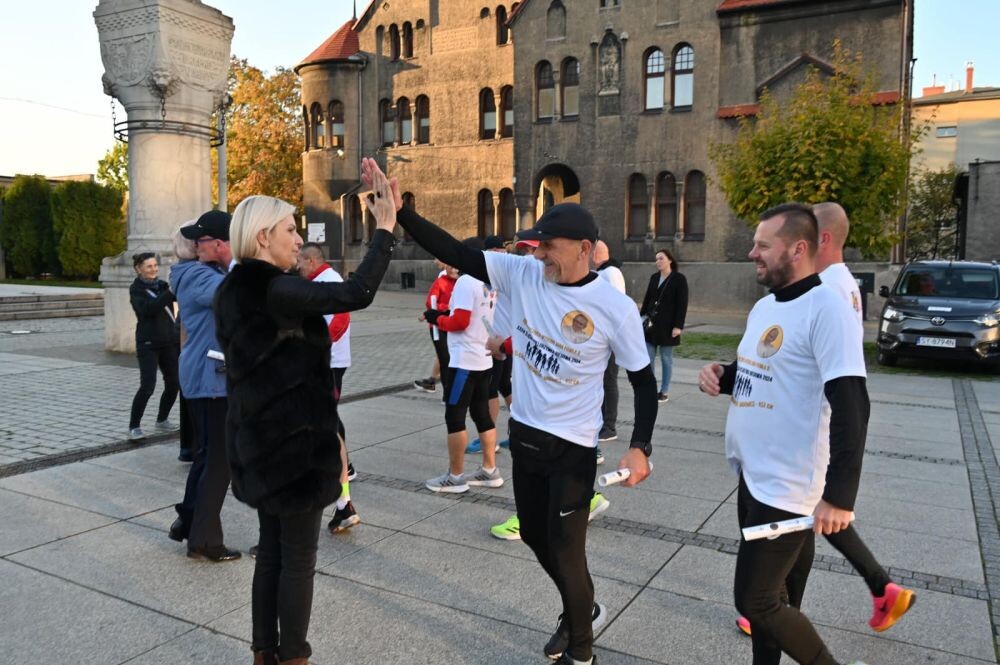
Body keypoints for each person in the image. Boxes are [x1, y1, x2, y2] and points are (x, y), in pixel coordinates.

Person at [364, 157, 656, 665]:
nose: (539, 252)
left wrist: (640, 445)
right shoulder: (526, 274)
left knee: (567, 551)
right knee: (538, 540)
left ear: (584, 250)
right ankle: (581, 607)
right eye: (537, 244)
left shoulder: (615, 307)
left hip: (573, 448)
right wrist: (400, 215)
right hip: (526, 436)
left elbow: (643, 382)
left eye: (550, 246)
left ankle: (582, 649)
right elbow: (456, 251)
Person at [214, 191, 396, 665]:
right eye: (290, 229)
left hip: (260, 444)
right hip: (292, 451)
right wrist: (384, 229)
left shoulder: (235, 289)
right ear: (263, 237)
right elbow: (357, 292)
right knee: (297, 559)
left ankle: (264, 652)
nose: (299, 239)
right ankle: (294, 656)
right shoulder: (278, 289)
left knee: (272, 553)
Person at [698, 203, 871, 665]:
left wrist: (840, 496)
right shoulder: (765, 307)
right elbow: (765, 371)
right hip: (753, 475)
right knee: (775, 599)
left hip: (789, 484)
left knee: (755, 602)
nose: (751, 252)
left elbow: (853, 406)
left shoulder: (826, 310)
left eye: (762, 245)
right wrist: (723, 375)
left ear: (797, 249)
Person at [169, 210, 239, 562]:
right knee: (219, 461)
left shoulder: (197, 272)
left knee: (208, 456)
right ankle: (206, 540)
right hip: (210, 377)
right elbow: (236, 293)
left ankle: (189, 521)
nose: (198, 244)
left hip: (206, 374)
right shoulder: (198, 275)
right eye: (194, 240)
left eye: (202, 239)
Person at [423, 237, 503, 493]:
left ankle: (455, 476)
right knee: (481, 415)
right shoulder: (489, 281)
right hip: (482, 358)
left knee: (455, 416)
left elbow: (459, 322)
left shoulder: (466, 282)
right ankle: (490, 470)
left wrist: (437, 320)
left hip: (464, 362)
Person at [297, 242, 360, 534]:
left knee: (328, 423)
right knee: (329, 421)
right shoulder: (317, 281)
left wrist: (315, 350)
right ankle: (342, 493)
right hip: (323, 361)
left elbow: (340, 320)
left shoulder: (331, 281)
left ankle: (342, 493)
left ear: (311, 260)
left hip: (329, 362)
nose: (297, 267)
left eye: (300, 261)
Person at [127, 252, 180, 441]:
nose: (154, 269)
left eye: (155, 266)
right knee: (148, 386)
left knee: (174, 382)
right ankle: (134, 426)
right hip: (148, 343)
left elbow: (177, 298)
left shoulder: (163, 286)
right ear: (138, 269)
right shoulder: (136, 290)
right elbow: (147, 310)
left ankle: (162, 419)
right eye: (149, 266)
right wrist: (169, 294)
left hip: (169, 341)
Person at [467, 235, 512, 454]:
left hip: (497, 341)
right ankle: (517, 431)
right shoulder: (510, 268)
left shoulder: (496, 271)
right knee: (505, 385)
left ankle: (489, 437)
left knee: (491, 389)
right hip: (509, 338)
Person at [639, 249, 688, 404]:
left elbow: (682, 304)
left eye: (661, 258)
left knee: (666, 359)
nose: (658, 261)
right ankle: (651, 389)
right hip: (651, 325)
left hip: (669, 326)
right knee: (648, 357)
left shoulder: (679, 279)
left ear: (670, 260)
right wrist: (641, 317)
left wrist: (678, 326)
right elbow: (647, 299)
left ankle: (664, 391)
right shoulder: (654, 278)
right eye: (656, 259)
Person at [592, 240, 625, 449]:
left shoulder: (610, 273)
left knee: (609, 381)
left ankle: (609, 426)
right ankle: (603, 421)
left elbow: (614, 305)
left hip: (610, 338)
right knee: (603, 381)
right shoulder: (605, 272)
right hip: (604, 336)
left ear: (596, 254)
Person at [172, 222, 199, 462]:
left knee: (188, 396)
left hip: (186, 339)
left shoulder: (185, 269)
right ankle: (191, 447)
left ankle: (189, 448)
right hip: (189, 339)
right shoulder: (194, 271)